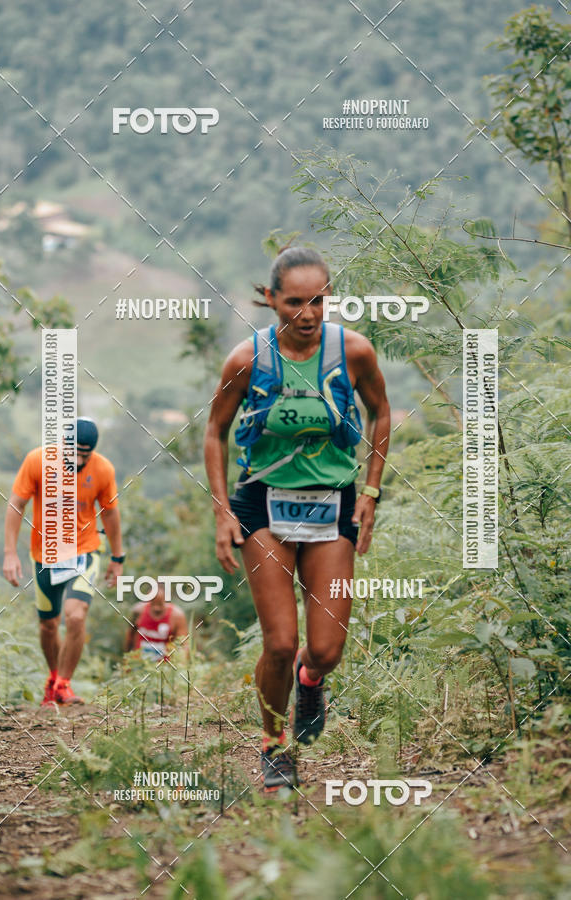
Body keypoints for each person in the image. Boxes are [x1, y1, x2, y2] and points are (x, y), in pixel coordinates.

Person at [205, 246, 390, 792]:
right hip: (262, 503)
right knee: (280, 642)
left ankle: (311, 682)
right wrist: (221, 511)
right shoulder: (246, 360)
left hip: (332, 504)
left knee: (325, 649)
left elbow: (381, 412)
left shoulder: (353, 352)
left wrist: (371, 492)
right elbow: (214, 432)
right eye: (293, 302)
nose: (307, 314)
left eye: (318, 300)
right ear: (269, 299)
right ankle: (273, 747)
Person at [3, 417, 125, 706]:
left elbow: (110, 514)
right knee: (48, 625)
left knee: (76, 614)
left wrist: (118, 558)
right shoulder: (37, 461)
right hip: (44, 556)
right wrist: (10, 552)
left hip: (84, 551)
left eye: (85, 455)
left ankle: (64, 684)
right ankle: (53, 677)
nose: (79, 460)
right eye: (73, 453)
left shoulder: (103, 469)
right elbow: (16, 504)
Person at [124, 580, 189, 663]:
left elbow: (183, 645)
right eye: (153, 604)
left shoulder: (177, 616)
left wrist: (180, 666)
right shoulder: (138, 611)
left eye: (160, 604)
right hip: (139, 663)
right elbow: (129, 636)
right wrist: (127, 660)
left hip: (164, 667)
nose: (156, 608)